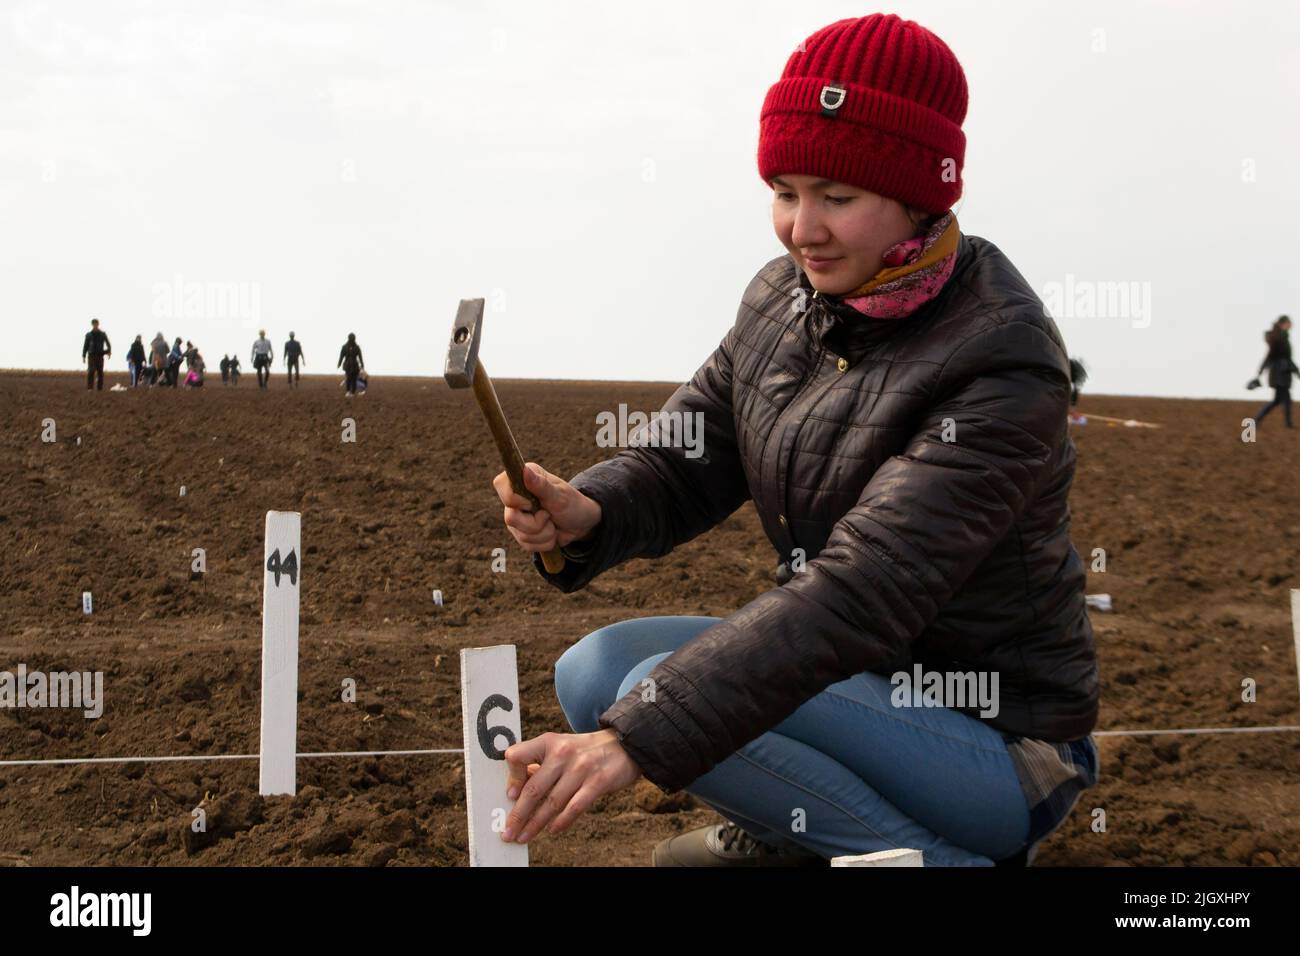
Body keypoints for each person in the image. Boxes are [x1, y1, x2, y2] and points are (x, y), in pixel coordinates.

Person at [490, 14, 1099, 868]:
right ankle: (802, 836)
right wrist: (589, 508)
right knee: (594, 671)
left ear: (923, 195)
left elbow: (864, 587)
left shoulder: (1002, 356)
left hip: (995, 743)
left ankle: (930, 861)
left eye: (837, 198)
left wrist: (640, 740)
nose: (800, 228)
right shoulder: (784, 298)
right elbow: (686, 452)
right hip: (856, 686)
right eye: (784, 190)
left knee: (642, 698)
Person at [1250, 316, 1297, 428]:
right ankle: (1288, 424)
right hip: (1278, 374)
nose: (1291, 325)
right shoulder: (1277, 338)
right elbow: (1270, 356)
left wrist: (1296, 370)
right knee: (1286, 399)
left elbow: (1288, 358)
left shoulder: (1283, 338)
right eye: (1288, 323)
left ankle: (1257, 421)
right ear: (1282, 324)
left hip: (1284, 373)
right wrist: (1260, 372)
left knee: (1277, 401)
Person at [82, 318, 111, 391]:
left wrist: (108, 352)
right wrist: (83, 356)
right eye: (94, 324)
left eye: (96, 324)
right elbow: (85, 345)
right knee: (91, 371)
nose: (95, 325)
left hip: (100, 355)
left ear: (98, 324)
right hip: (91, 355)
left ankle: (99, 388)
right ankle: (90, 388)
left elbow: (108, 344)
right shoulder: (89, 335)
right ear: (92, 325)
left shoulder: (102, 334)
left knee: (100, 372)